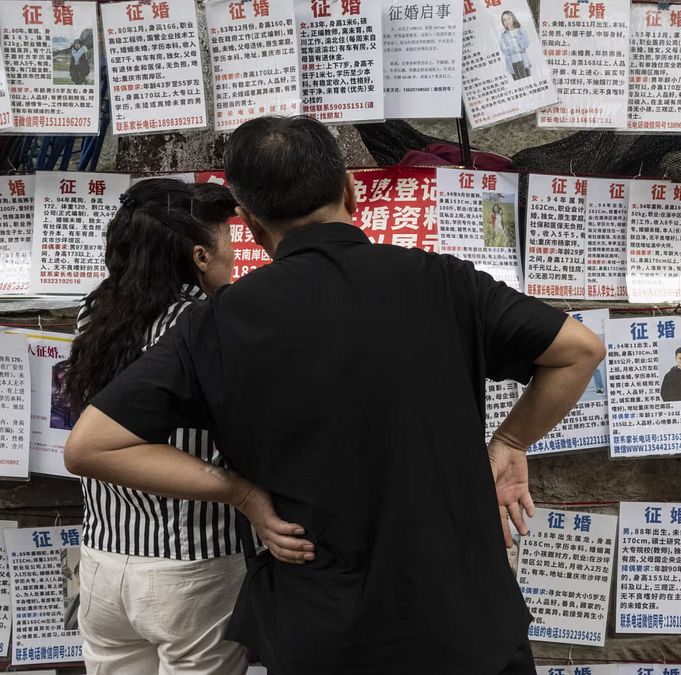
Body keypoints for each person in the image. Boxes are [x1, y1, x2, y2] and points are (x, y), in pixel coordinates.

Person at [63, 115, 605, 675]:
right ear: (349, 190)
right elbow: (579, 351)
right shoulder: (444, 282)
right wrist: (511, 440)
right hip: (466, 627)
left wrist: (242, 493)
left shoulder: (218, 325)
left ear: (248, 222)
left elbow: (90, 447)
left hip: (322, 632)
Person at [62, 178, 248, 674]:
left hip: (103, 559)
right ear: (199, 257)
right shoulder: (206, 325)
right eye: (227, 243)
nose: (233, 257)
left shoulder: (94, 313)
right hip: (193, 565)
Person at [499, 10, 531, 81]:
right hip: (512, 64)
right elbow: (503, 49)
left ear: (513, 18)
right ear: (503, 22)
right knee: (519, 83)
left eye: (509, 18)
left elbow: (526, 43)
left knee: (529, 80)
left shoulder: (520, 30)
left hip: (523, 61)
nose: (507, 21)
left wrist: (518, 41)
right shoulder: (503, 35)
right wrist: (516, 49)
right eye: (504, 20)